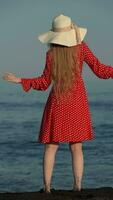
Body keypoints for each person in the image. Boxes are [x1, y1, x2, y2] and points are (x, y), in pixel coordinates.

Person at [2, 14, 113, 193]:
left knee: (51, 146)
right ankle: (77, 186)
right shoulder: (82, 49)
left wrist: (20, 80)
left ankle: (47, 187)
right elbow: (100, 70)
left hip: (58, 102)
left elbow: (44, 83)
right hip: (77, 102)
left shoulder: (51, 54)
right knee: (76, 147)